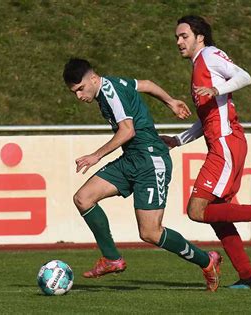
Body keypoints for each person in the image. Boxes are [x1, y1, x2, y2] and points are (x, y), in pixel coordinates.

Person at [63, 58, 223, 292]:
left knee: (150, 233)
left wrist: (96, 155)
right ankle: (112, 258)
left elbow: (128, 130)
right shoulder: (113, 83)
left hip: (150, 161)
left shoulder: (111, 92)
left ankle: (206, 261)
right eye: (74, 92)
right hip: (131, 160)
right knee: (83, 198)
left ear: (93, 79)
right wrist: (170, 101)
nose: (79, 96)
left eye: (80, 89)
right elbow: (146, 84)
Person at [161, 15, 251, 289]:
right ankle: (248, 277)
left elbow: (244, 77)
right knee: (218, 214)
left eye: (184, 36)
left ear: (200, 37)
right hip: (224, 143)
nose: (179, 42)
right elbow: (207, 118)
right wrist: (178, 140)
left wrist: (217, 88)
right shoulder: (199, 65)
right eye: (177, 38)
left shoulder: (210, 54)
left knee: (197, 210)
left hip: (226, 144)